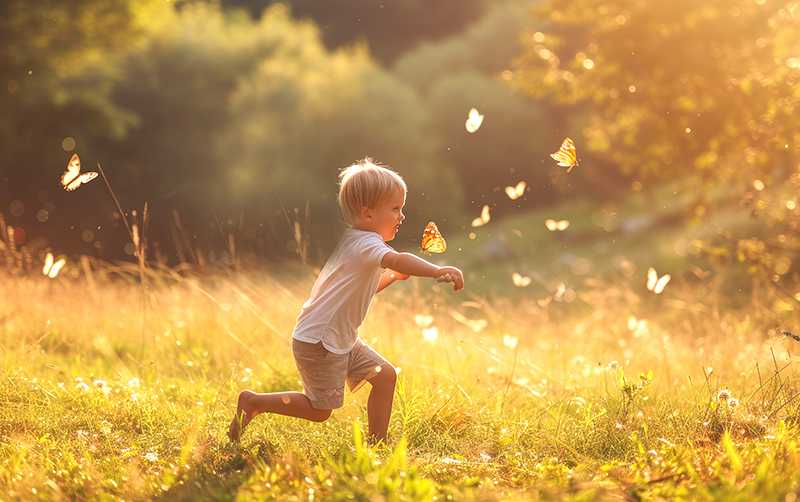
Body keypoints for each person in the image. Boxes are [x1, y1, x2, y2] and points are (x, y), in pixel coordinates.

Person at [228, 158, 464, 444]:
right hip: (321, 342)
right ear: (367, 214)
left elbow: (361, 290)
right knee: (319, 411)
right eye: (395, 208)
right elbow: (398, 258)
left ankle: (377, 443)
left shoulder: (356, 243)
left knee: (385, 376)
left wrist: (392, 278)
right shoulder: (366, 244)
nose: (401, 216)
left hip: (336, 337)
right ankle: (255, 403)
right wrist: (437, 269)